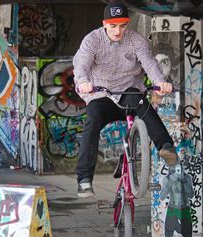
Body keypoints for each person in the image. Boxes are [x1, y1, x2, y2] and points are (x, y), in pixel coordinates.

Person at [73, 2, 177, 198]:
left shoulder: (136, 41)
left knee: (141, 102)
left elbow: (149, 63)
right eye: (113, 26)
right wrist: (83, 82)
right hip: (102, 95)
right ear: (105, 24)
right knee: (92, 118)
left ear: (127, 23)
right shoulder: (92, 40)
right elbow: (82, 64)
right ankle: (84, 179)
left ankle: (165, 147)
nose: (118, 30)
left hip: (128, 93)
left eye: (122, 25)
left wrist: (160, 83)